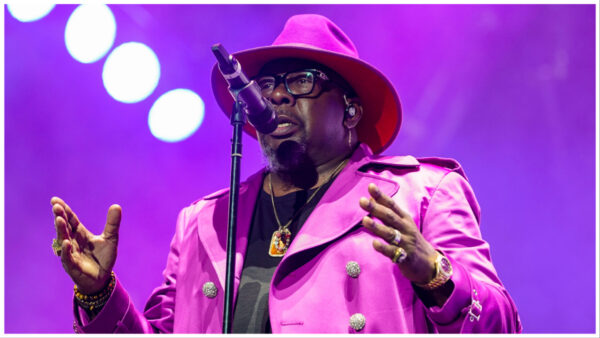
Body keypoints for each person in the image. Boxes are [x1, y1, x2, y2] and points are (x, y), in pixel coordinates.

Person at [51, 14, 522, 333]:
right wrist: (99, 295)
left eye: (300, 81)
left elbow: (501, 326)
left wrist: (436, 274)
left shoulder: (422, 193)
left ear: (351, 111)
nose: (277, 96)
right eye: (269, 85)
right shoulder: (203, 223)